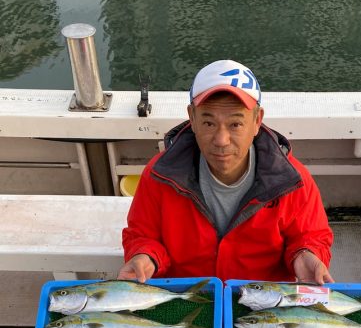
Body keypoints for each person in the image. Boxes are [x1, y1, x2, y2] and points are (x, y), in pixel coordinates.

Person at [119, 59, 333, 284]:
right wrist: (144, 256)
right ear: (192, 117)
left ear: (257, 121)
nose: (221, 140)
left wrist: (306, 255)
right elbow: (142, 235)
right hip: (188, 294)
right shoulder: (159, 175)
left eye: (235, 124)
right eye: (209, 123)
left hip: (262, 300)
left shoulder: (292, 181)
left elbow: (311, 236)